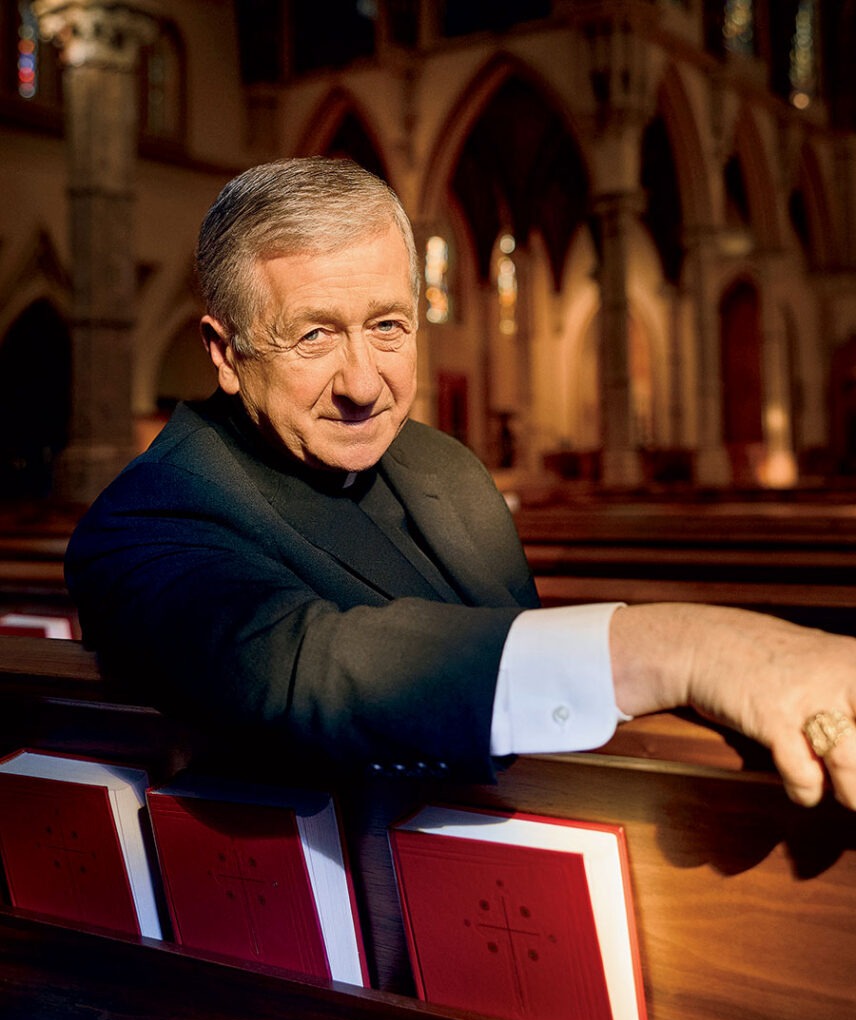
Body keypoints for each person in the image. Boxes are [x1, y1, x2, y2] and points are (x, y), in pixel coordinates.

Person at [65, 157, 856, 811]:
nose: (364, 383)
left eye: (388, 326)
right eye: (314, 334)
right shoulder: (148, 516)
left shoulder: (443, 466)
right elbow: (306, 665)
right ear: (225, 352)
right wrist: (684, 648)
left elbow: (529, 696)